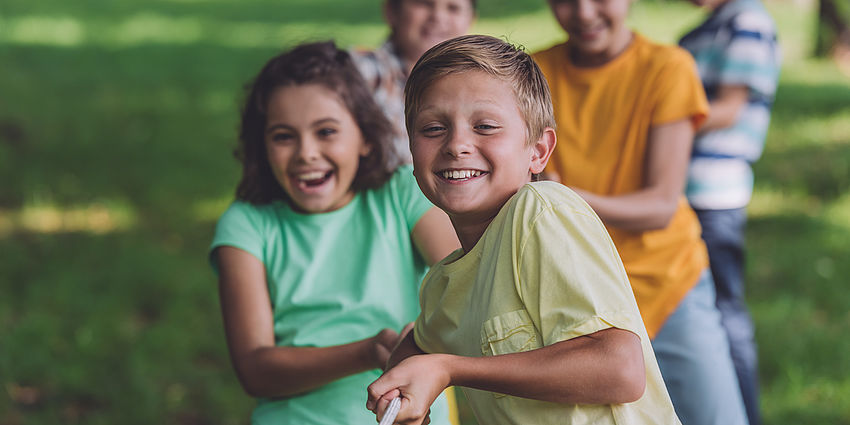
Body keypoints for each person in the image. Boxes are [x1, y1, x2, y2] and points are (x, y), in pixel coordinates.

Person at [366, 34, 682, 425]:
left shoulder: (540, 210)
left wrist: (449, 368)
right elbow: (416, 349)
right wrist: (405, 396)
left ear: (539, 151)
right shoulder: (441, 285)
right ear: (410, 150)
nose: (457, 144)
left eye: (484, 126)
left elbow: (619, 368)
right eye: (433, 128)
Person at [209, 41, 460, 425]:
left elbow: (466, 278)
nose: (306, 152)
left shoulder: (400, 192)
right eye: (283, 136)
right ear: (261, 146)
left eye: (326, 131)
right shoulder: (246, 225)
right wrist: (366, 353)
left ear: (364, 137)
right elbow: (255, 369)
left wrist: (431, 333)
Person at [532, 1, 749, 424]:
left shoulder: (667, 68)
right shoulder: (534, 74)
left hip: (666, 282)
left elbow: (660, 206)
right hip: (578, 293)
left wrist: (564, 197)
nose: (584, 12)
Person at [679, 1, 781, 424]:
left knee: (723, 311)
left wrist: (653, 121)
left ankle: (742, 413)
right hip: (681, 194)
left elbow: (728, 109)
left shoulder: (747, 22)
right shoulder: (702, 30)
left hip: (714, 192)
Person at [350, 0, 476, 167]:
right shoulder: (361, 73)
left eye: (453, 8)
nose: (438, 16)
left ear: (471, 18)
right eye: (424, 4)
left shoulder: (480, 81)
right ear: (392, 11)